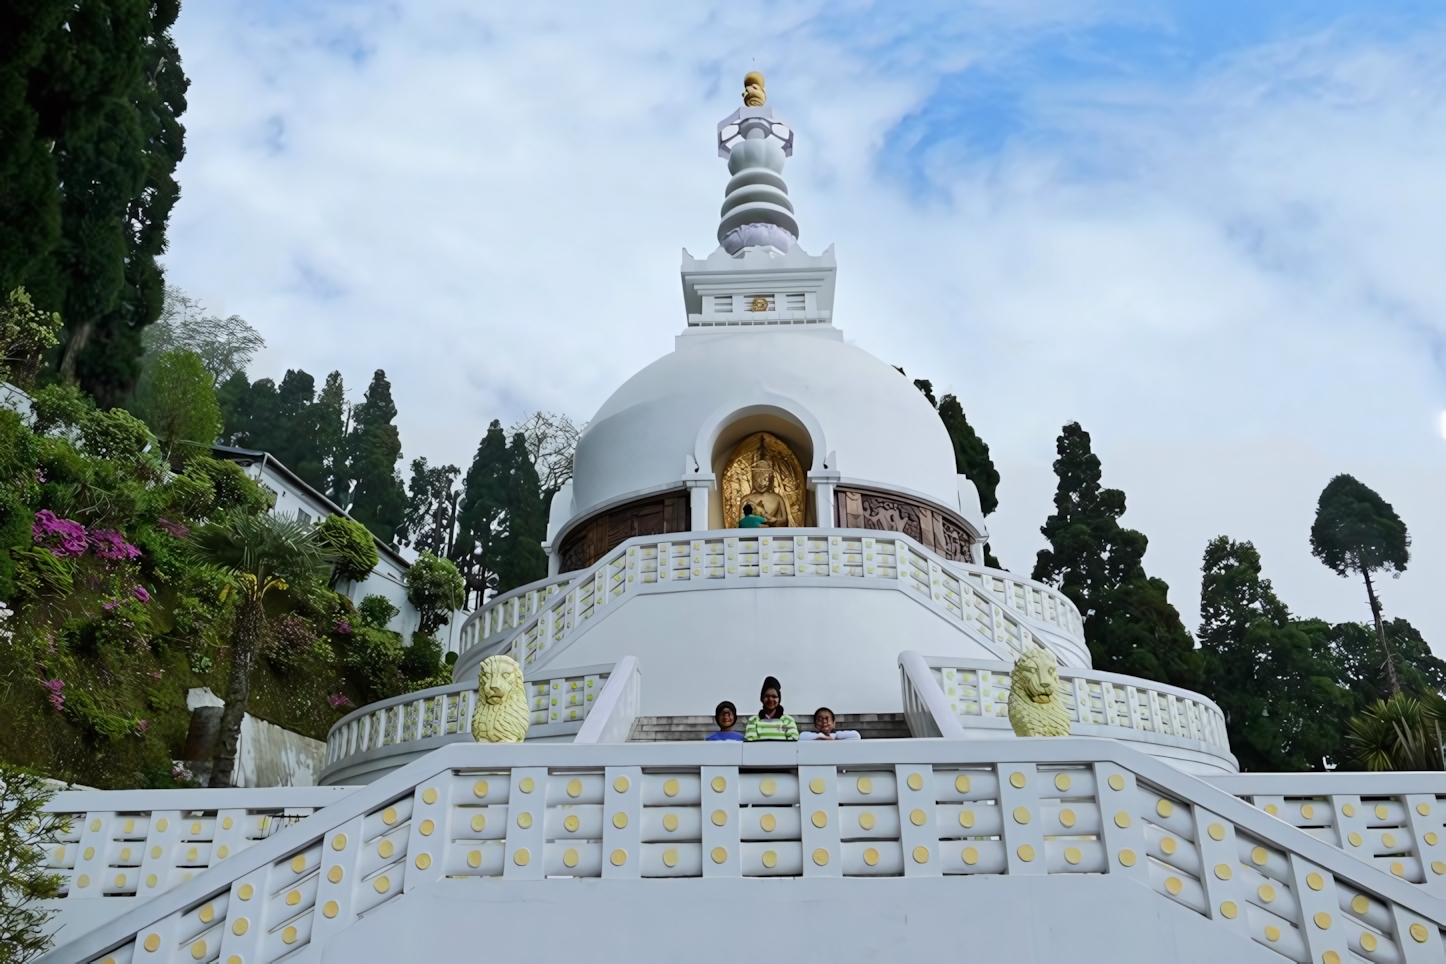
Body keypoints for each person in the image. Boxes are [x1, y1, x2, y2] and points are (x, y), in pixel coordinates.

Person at [744, 676, 798, 741]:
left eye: (774, 696)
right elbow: (751, 742)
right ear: (762, 698)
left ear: (779, 699)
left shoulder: (788, 721)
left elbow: (793, 741)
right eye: (767, 696)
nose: (770, 699)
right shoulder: (753, 721)